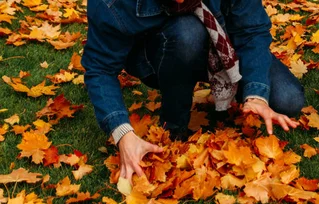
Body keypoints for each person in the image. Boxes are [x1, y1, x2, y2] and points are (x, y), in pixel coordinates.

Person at [82, 0, 305, 182]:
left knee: (288, 99)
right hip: (162, 54)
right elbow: (99, 67)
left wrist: (257, 95)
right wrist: (122, 133)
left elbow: (252, 31)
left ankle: (239, 89)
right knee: (188, 32)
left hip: (224, 45)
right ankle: (173, 128)